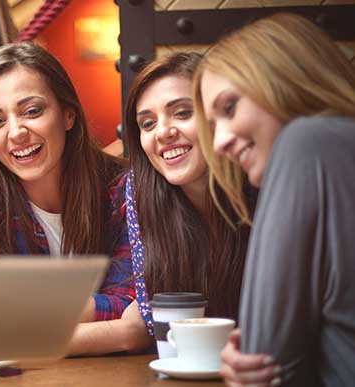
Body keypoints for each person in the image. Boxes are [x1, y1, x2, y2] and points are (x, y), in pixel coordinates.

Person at [193, 13, 355, 387]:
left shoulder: (306, 142)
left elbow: (265, 357)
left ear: (287, 77)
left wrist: (249, 357)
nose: (219, 144)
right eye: (214, 127)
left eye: (230, 108)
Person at [0, 42, 135, 355]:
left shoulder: (122, 188)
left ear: (67, 115)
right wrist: (116, 331)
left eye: (31, 111)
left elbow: (132, 303)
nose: (15, 132)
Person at [119, 52, 252, 350]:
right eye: (148, 123)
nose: (163, 133)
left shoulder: (261, 183)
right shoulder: (139, 192)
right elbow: (153, 319)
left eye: (182, 113)